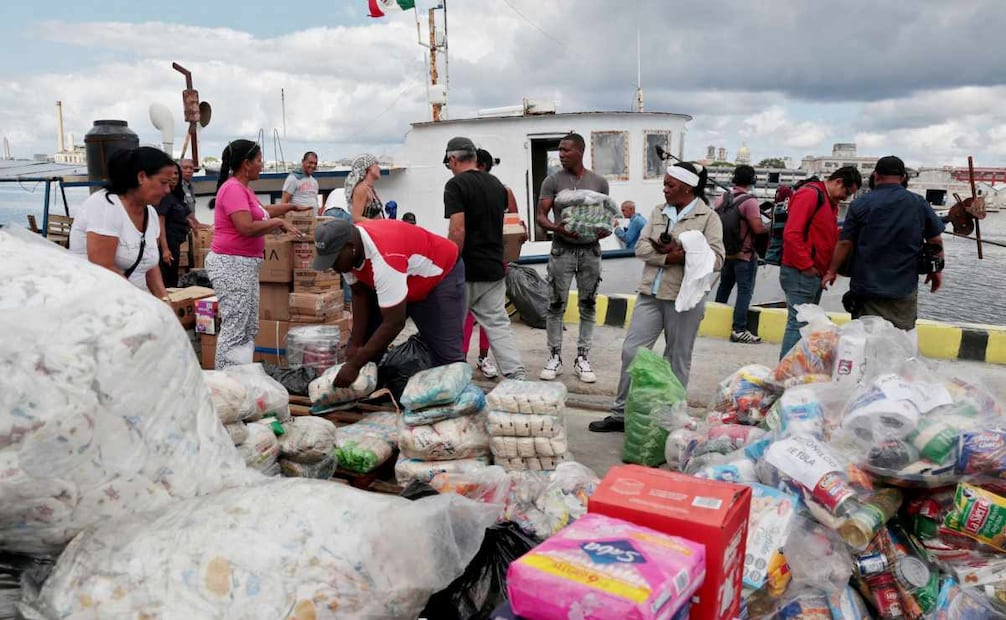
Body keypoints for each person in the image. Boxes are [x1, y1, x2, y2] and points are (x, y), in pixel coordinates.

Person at [590, 162, 725, 432]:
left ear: (687, 188)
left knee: (677, 358)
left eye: (670, 185)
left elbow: (717, 259)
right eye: (665, 184)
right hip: (650, 294)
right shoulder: (658, 211)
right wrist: (669, 257)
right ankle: (621, 414)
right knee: (632, 351)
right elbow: (641, 248)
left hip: (684, 298)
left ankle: (671, 419)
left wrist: (682, 253)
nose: (665, 189)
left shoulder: (708, 217)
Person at [311, 218, 466, 387]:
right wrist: (355, 344)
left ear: (351, 247)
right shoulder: (349, 251)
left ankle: (458, 397)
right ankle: (368, 388)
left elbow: (394, 323)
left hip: (438, 276)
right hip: (401, 277)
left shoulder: (384, 257)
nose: (333, 268)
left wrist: (354, 366)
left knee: (447, 362)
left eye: (334, 261)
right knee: (364, 345)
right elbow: (359, 293)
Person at [205, 139, 306, 369]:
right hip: (231, 264)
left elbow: (262, 212)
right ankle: (225, 378)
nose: (262, 164)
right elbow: (246, 226)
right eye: (259, 160)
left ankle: (240, 373)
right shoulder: (232, 189)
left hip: (245, 265)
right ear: (246, 164)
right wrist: (279, 223)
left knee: (249, 327)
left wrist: (290, 207)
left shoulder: (244, 189)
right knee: (235, 326)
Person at [823, 156, 945, 332]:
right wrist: (936, 270)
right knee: (900, 339)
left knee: (865, 338)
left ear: (875, 176)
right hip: (903, 288)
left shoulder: (860, 204)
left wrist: (831, 271)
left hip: (866, 288)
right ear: (903, 177)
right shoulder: (918, 203)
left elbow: (845, 243)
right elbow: (935, 241)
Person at [443, 138, 526, 381]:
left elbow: (457, 230)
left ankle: (451, 378)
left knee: (452, 326)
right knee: (498, 324)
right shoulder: (497, 185)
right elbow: (508, 225)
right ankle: (516, 375)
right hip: (493, 267)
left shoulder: (455, 185)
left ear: (453, 159)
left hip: (466, 269)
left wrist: (450, 265)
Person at [535, 132, 610, 383]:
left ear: (580, 151)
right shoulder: (552, 181)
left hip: (591, 250)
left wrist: (605, 230)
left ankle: (582, 358)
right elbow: (541, 216)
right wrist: (556, 228)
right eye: (559, 150)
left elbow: (605, 217)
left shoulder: (599, 182)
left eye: (566, 150)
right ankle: (554, 357)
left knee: (588, 305)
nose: (561, 154)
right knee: (556, 305)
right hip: (562, 249)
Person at [778, 165, 862, 358]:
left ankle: (794, 368)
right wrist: (807, 266)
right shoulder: (810, 195)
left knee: (806, 323)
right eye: (846, 192)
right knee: (799, 324)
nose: (846, 198)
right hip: (801, 272)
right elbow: (792, 234)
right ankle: (785, 370)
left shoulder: (829, 202)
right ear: (838, 182)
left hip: (813, 273)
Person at [69, 146, 174, 298]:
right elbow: (103, 267)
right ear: (141, 177)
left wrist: (165, 301)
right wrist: (141, 303)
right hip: (100, 300)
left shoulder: (150, 213)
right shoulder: (105, 206)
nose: (168, 190)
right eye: (163, 182)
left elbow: (150, 267)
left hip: (133, 301)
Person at [713, 165, 769, 344]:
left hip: (726, 254)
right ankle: (739, 329)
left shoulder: (721, 198)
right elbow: (757, 229)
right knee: (744, 292)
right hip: (745, 256)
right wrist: (772, 224)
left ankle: (715, 322)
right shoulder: (750, 202)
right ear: (752, 180)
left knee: (724, 288)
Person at [155, 162, 190, 288]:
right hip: (167, 244)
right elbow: (161, 222)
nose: (174, 176)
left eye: (176, 173)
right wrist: (165, 249)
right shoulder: (165, 197)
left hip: (175, 244)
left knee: (173, 279)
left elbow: (186, 216)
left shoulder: (176, 196)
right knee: (167, 281)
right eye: (171, 173)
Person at [345, 154, 384, 222]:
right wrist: (377, 224)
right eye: (376, 164)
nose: (379, 168)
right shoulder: (361, 189)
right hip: (367, 227)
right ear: (368, 168)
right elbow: (356, 218)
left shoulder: (369, 188)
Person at [280, 151, 320, 215]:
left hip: (312, 218)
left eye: (315, 163)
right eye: (310, 163)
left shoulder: (314, 182)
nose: (313, 166)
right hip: (298, 219)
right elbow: (284, 202)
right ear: (303, 161)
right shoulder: (293, 178)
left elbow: (315, 201)